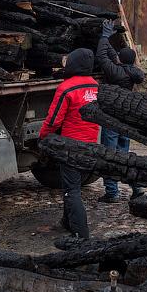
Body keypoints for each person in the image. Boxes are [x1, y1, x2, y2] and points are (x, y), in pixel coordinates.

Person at [39, 47, 100, 239]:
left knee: (72, 191)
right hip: (90, 144)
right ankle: (67, 222)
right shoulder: (95, 86)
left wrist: (43, 136)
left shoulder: (66, 88)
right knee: (72, 186)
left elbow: (54, 120)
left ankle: (81, 235)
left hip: (70, 146)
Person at [95, 20, 145, 203]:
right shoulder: (132, 72)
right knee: (124, 155)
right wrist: (109, 38)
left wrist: (104, 36)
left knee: (109, 154)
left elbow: (102, 56)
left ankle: (112, 192)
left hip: (112, 118)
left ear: (120, 60)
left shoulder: (116, 73)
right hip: (126, 119)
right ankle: (137, 187)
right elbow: (111, 55)